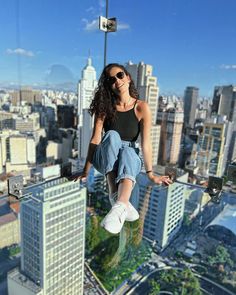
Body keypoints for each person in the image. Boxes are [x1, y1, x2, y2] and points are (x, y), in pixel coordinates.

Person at [75, 63, 172, 234]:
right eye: (111, 80)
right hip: (105, 155)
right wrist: (85, 171)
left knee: (128, 151)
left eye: (120, 75)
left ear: (128, 77)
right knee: (112, 136)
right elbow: (96, 139)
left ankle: (120, 204)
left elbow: (146, 143)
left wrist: (150, 174)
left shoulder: (141, 107)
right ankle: (116, 195)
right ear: (108, 86)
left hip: (128, 158)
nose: (117, 81)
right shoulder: (105, 109)